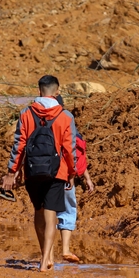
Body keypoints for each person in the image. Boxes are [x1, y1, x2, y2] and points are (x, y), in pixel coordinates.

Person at [3, 75, 76, 272]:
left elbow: (18, 145)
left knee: (39, 212)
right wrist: (72, 172)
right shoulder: (66, 116)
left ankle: (46, 255)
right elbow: (70, 148)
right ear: (57, 92)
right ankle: (45, 260)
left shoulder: (26, 113)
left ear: (39, 91)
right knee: (51, 214)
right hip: (57, 171)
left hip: (32, 171)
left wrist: (12, 172)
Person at [54, 95, 95, 263]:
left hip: (42, 175)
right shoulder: (67, 121)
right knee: (67, 210)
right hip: (64, 176)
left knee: (46, 213)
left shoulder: (38, 120)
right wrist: (82, 178)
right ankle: (65, 250)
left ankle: (47, 255)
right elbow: (75, 154)